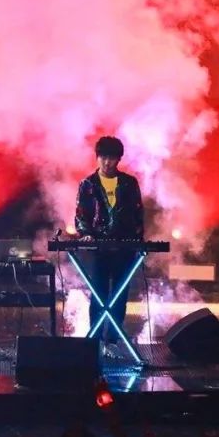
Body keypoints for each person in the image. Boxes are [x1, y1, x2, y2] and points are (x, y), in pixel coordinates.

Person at [74, 136, 144, 351]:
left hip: (124, 247)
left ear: (119, 159)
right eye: (103, 157)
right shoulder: (87, 184)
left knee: (120, 297)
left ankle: (112, 341)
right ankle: (94, 343)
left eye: (111, 158)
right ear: (97, 158)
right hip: (99, 248)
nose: (107, 162)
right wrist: (86, 234)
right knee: (98, 295)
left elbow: (138, 214)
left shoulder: (129, 183)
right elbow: (81, 215)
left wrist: (137, 240)